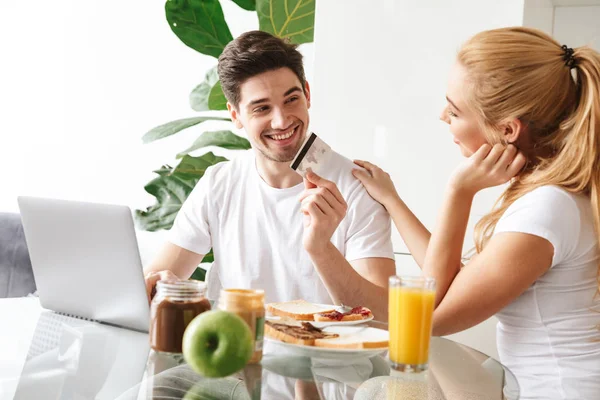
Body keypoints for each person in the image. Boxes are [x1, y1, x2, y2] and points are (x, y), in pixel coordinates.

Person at [346, 27, 600, 399]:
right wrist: (393, 202)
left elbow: (426, 320)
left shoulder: (545, 210)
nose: (441, 116)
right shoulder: (554, 196)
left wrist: (458, 192)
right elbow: (456, 281)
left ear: (507, 130)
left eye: (454, 109)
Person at [144, 30, 395, 319]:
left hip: (326, 362)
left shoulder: (356, 186)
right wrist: (160, 289)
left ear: (308, 94)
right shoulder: (219, 183)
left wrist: (321, 248)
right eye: (262, 108)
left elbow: (384, 316)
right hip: (233, 357)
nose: (282, 120)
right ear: (236, 115)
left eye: (291, 99)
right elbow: (155, 282)